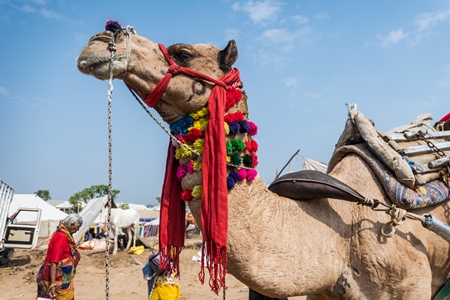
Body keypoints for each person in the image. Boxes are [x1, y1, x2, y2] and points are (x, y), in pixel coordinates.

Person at [36, 213, 83, 300]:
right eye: (77, 227)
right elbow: (54, 261)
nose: (78, 230)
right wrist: (53, 285)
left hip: (63, 280)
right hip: (56, 280)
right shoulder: (61, 237)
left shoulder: (66, 234)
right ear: (71, 224)